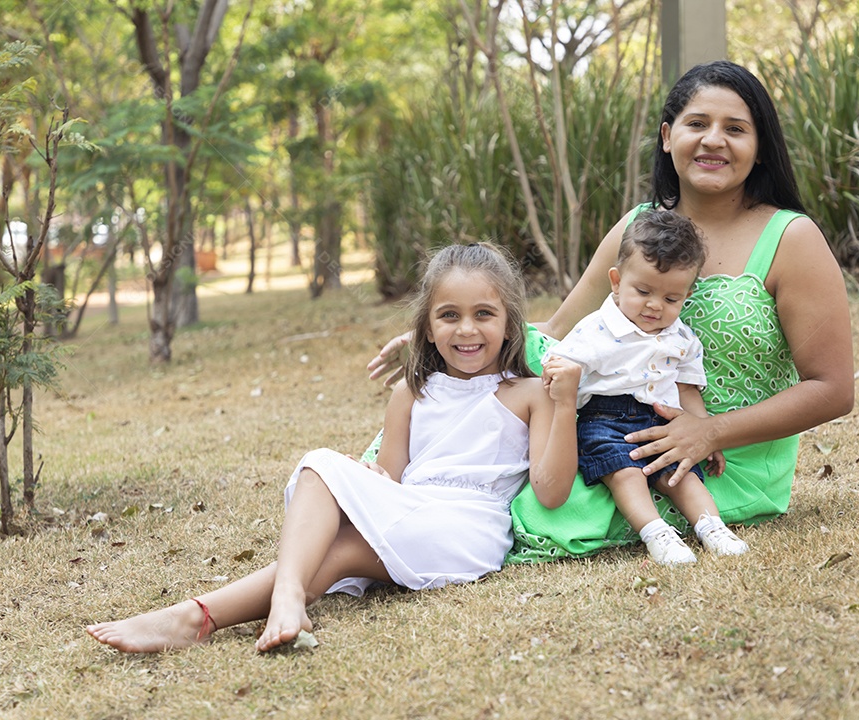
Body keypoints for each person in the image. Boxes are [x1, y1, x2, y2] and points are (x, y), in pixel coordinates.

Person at [368, 60, 854, 563]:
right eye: (697, 124)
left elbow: (832, 389)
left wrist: (707, 429)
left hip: (726, 458)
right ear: (668, 136)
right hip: (614, 429)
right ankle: (381, 494)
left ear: (760, 148)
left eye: (735, 129)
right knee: (476, 473)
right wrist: (460, 339)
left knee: (539, 512)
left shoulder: (792, 238)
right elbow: (558, 333)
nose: (714, 140)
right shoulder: (639, 226)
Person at [86, 243, 581, 653]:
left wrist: (563, 408)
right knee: (324, 482)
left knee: (337, 525)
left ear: (510, 323)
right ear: (427, 328)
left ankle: (253, 601)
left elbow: (552, 492)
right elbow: (391, 478)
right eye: (449, 315)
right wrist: (361, 478)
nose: (466, 329)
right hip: (410, 506)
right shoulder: (411, 393)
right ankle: (201, 617)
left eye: (484, 314)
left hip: (465, 527)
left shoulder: (531, 393)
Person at [547, 208, 747, 566]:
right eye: (643, 291)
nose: (655, 306)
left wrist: (706, 433)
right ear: (616, 281)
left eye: (671, 299)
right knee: (625, 473)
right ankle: (656, 532)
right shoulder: (597, 330)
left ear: (686, 295)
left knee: (682, 473)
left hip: (663, 420)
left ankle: (711, 527)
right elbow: (561, 365)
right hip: (604, 419)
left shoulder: (682, 336)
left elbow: (687, 390)